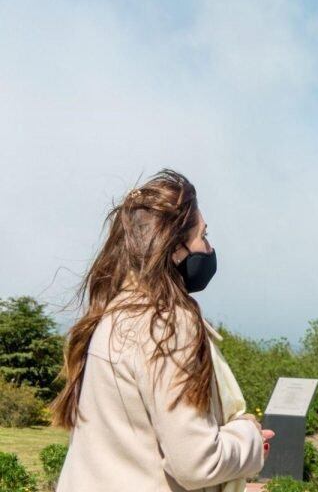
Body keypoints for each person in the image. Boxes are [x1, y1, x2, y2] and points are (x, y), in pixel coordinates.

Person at [51, 170, 272, 492]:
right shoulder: (167, 325)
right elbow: (197, 463)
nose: (209, 249)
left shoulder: (110, 315)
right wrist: (248, 434)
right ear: (175, 248)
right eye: (203, 235)